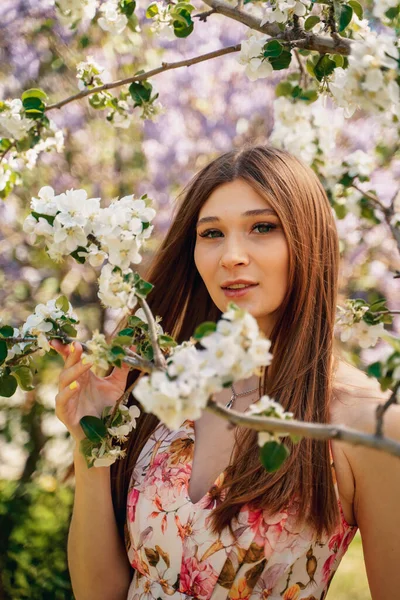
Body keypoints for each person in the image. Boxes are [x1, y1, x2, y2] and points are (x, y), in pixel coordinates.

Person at [51, 144, 400, 600]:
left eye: (262, 227)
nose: (231, 255)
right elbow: (100, 592)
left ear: (308, 239)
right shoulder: (165, 387)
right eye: (211, 233)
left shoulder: (364, 423)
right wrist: (91, 441)